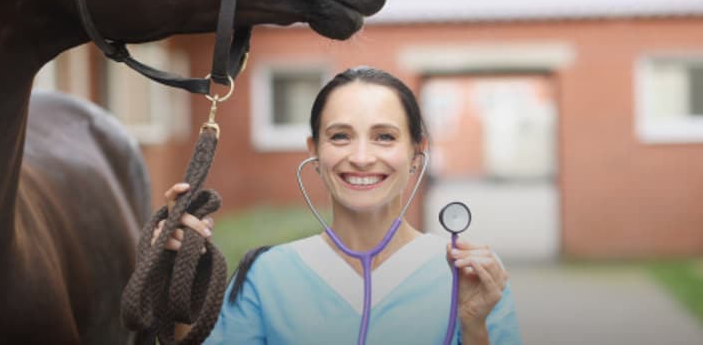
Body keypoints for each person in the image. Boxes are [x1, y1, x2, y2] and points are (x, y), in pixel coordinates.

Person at [154, 66, 522, 344]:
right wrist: (179, 267)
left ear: (416, 152)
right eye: (340, 136)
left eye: (384, 137)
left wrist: (474, 327)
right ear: (314, 152)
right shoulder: (266, 276)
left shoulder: (473, 275)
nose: (361, 157)